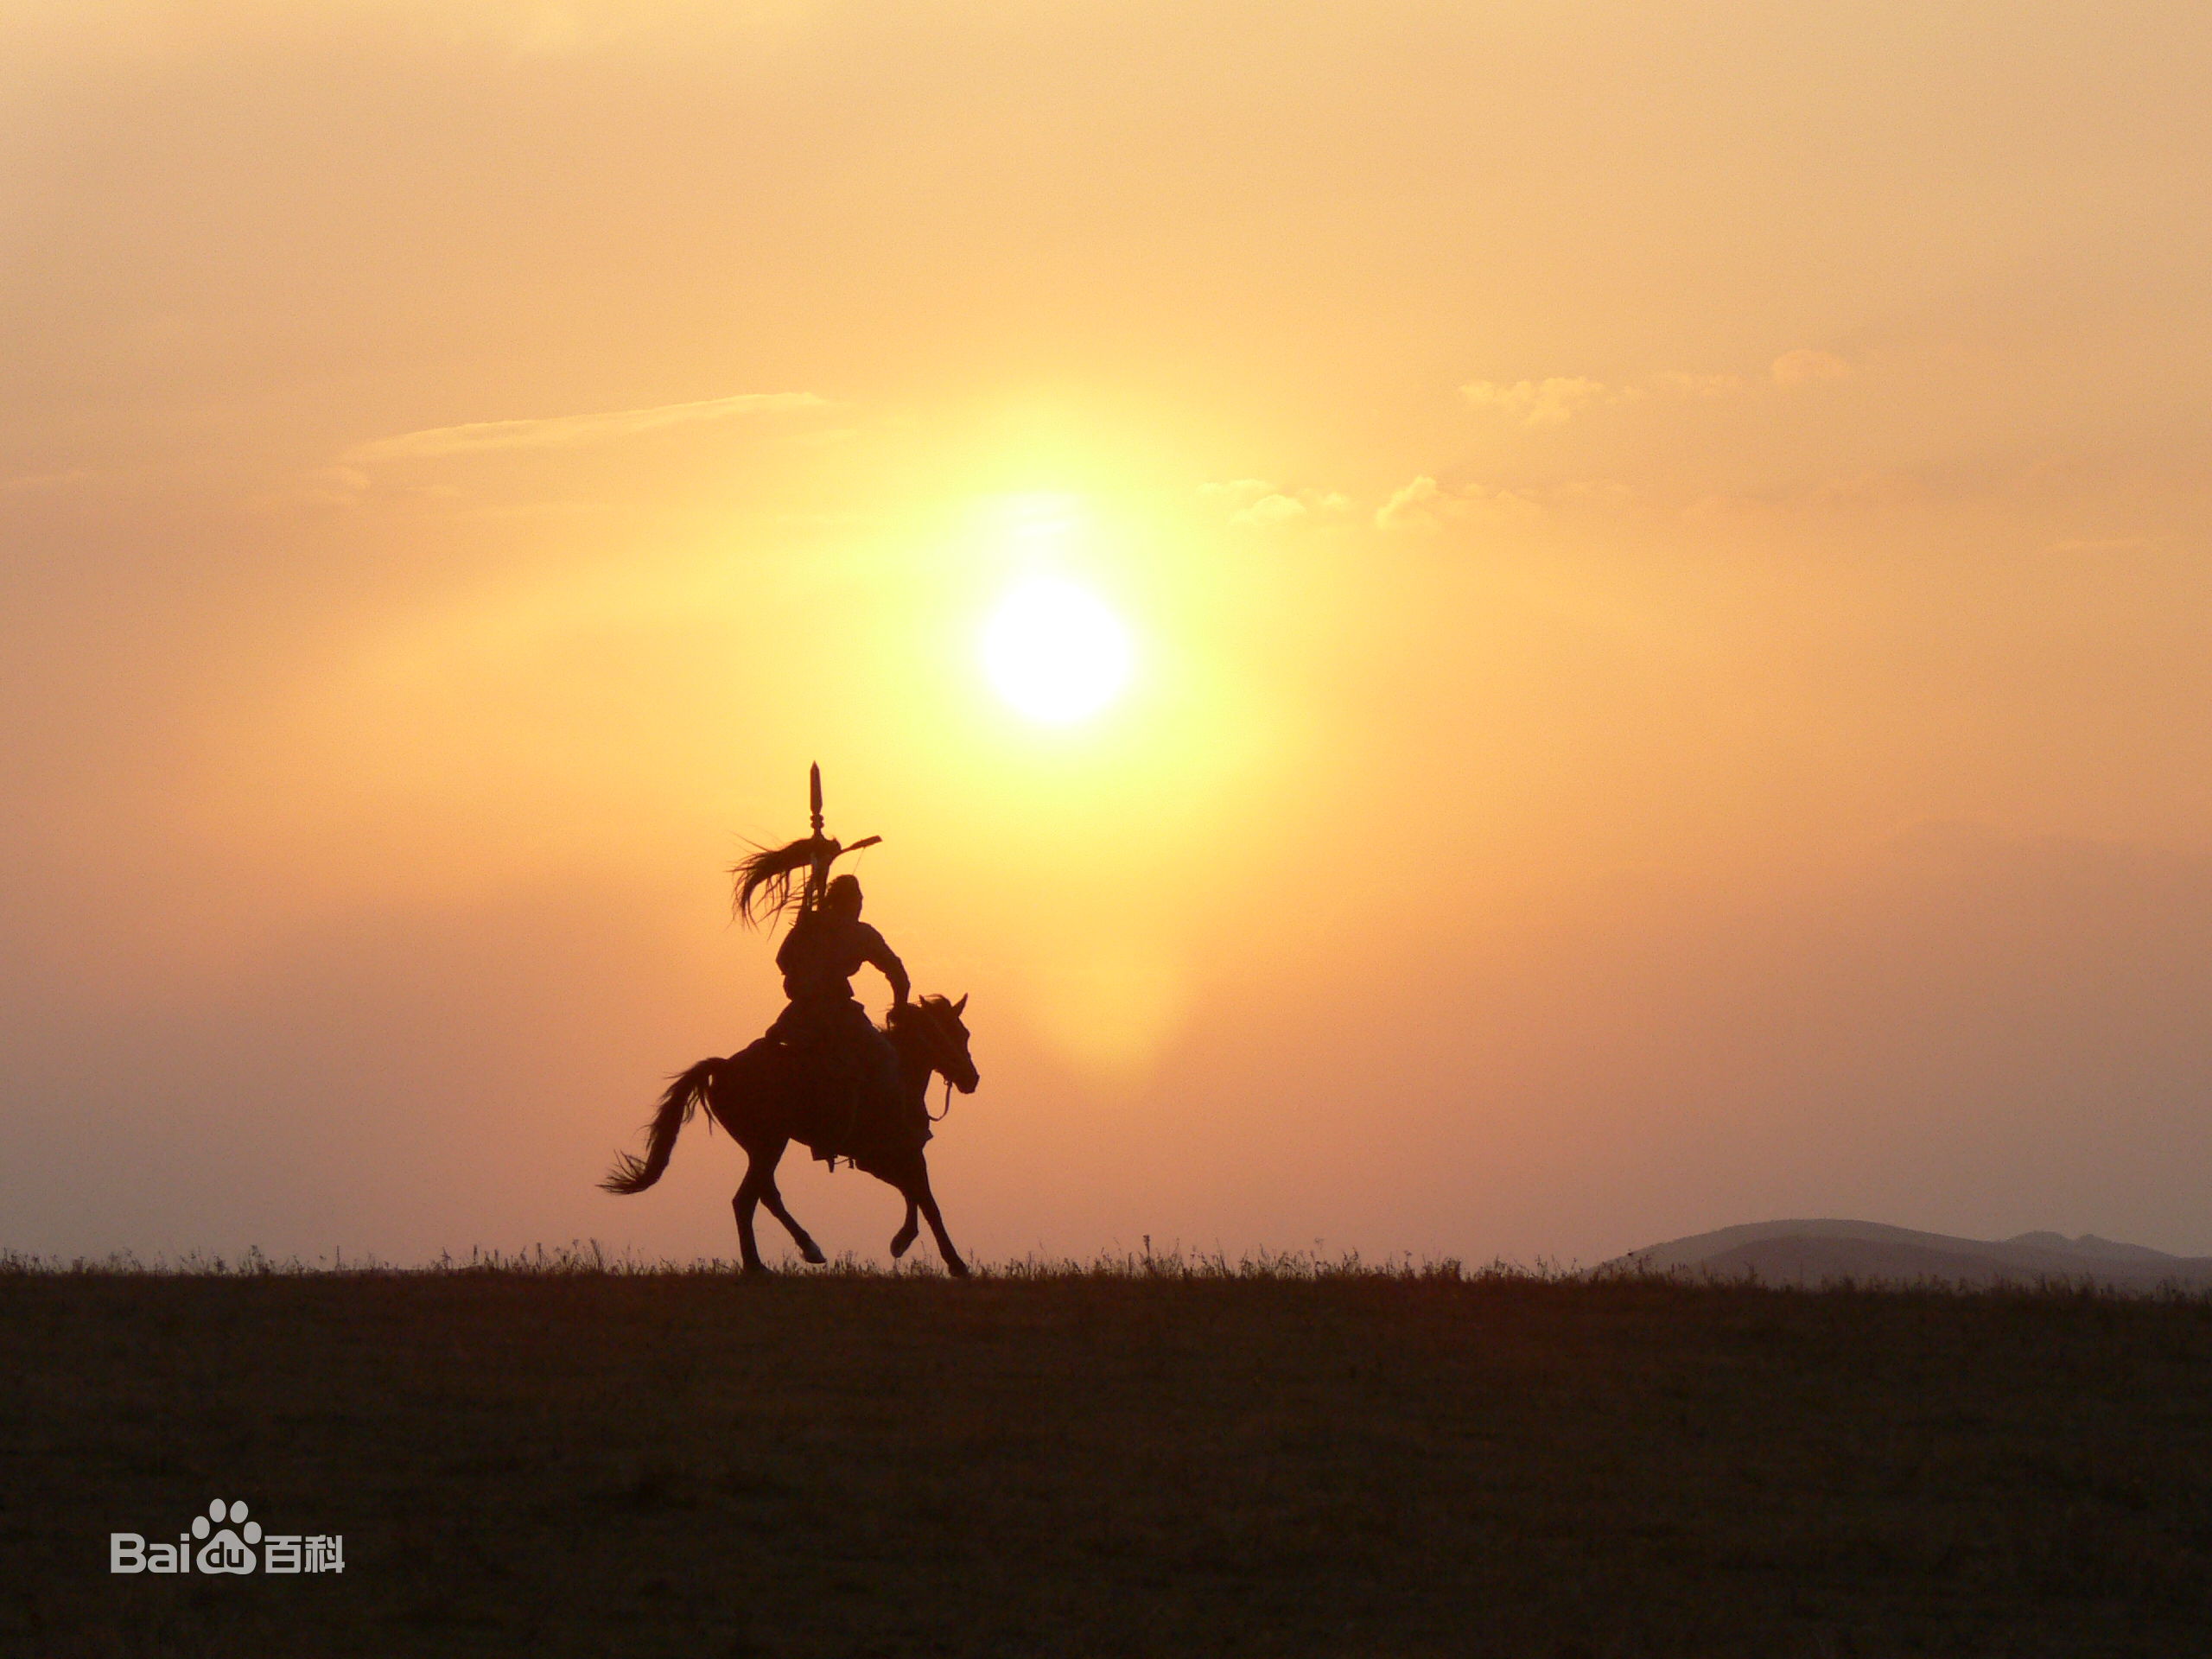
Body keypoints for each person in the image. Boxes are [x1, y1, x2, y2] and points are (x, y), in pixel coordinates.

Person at [767, 874, 910, 1163]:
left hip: (801, 1013)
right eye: (858, 899)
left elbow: (783, 960)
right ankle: (870, 1130)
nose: (860, 905)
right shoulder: (859, 933)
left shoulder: (813, 925)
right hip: (832, 1011)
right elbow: (896, 970)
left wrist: (805, 929)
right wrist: (900, 1006)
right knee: (885, 1057)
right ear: (850, 901)